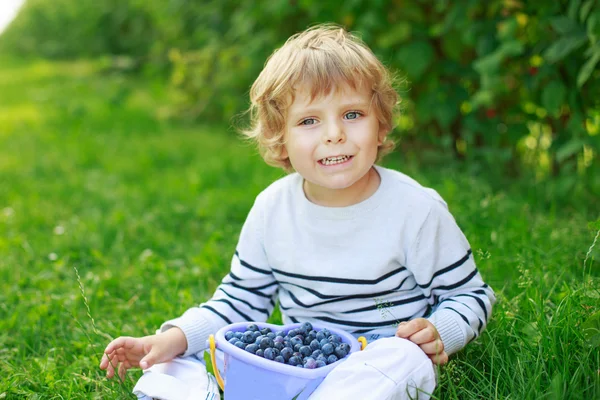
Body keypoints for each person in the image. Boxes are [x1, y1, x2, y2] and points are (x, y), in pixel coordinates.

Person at [100, 23, 495, 400]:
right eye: (309, 120)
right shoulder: (272, 209)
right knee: (183, 358)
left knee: (406, 359)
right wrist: (172, 339)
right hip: (291, 365)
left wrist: (438, 331)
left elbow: (470, 295)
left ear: (380, 124)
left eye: (352, 114)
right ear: (281, 139)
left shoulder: (415, 209)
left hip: (374, 364)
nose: (334, 133)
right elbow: (240, 299)